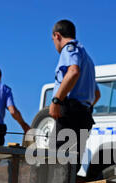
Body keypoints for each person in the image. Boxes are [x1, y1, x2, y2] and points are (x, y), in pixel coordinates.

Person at [49, 19, 100, 171]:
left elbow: (73, 72)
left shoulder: (70, 49)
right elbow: (97, 94)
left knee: (58, 161)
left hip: (69, 113)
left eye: (53, 40)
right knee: (73, 164)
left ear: (57, 36)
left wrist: (56, 100)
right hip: (84, 115)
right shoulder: (87, 58)